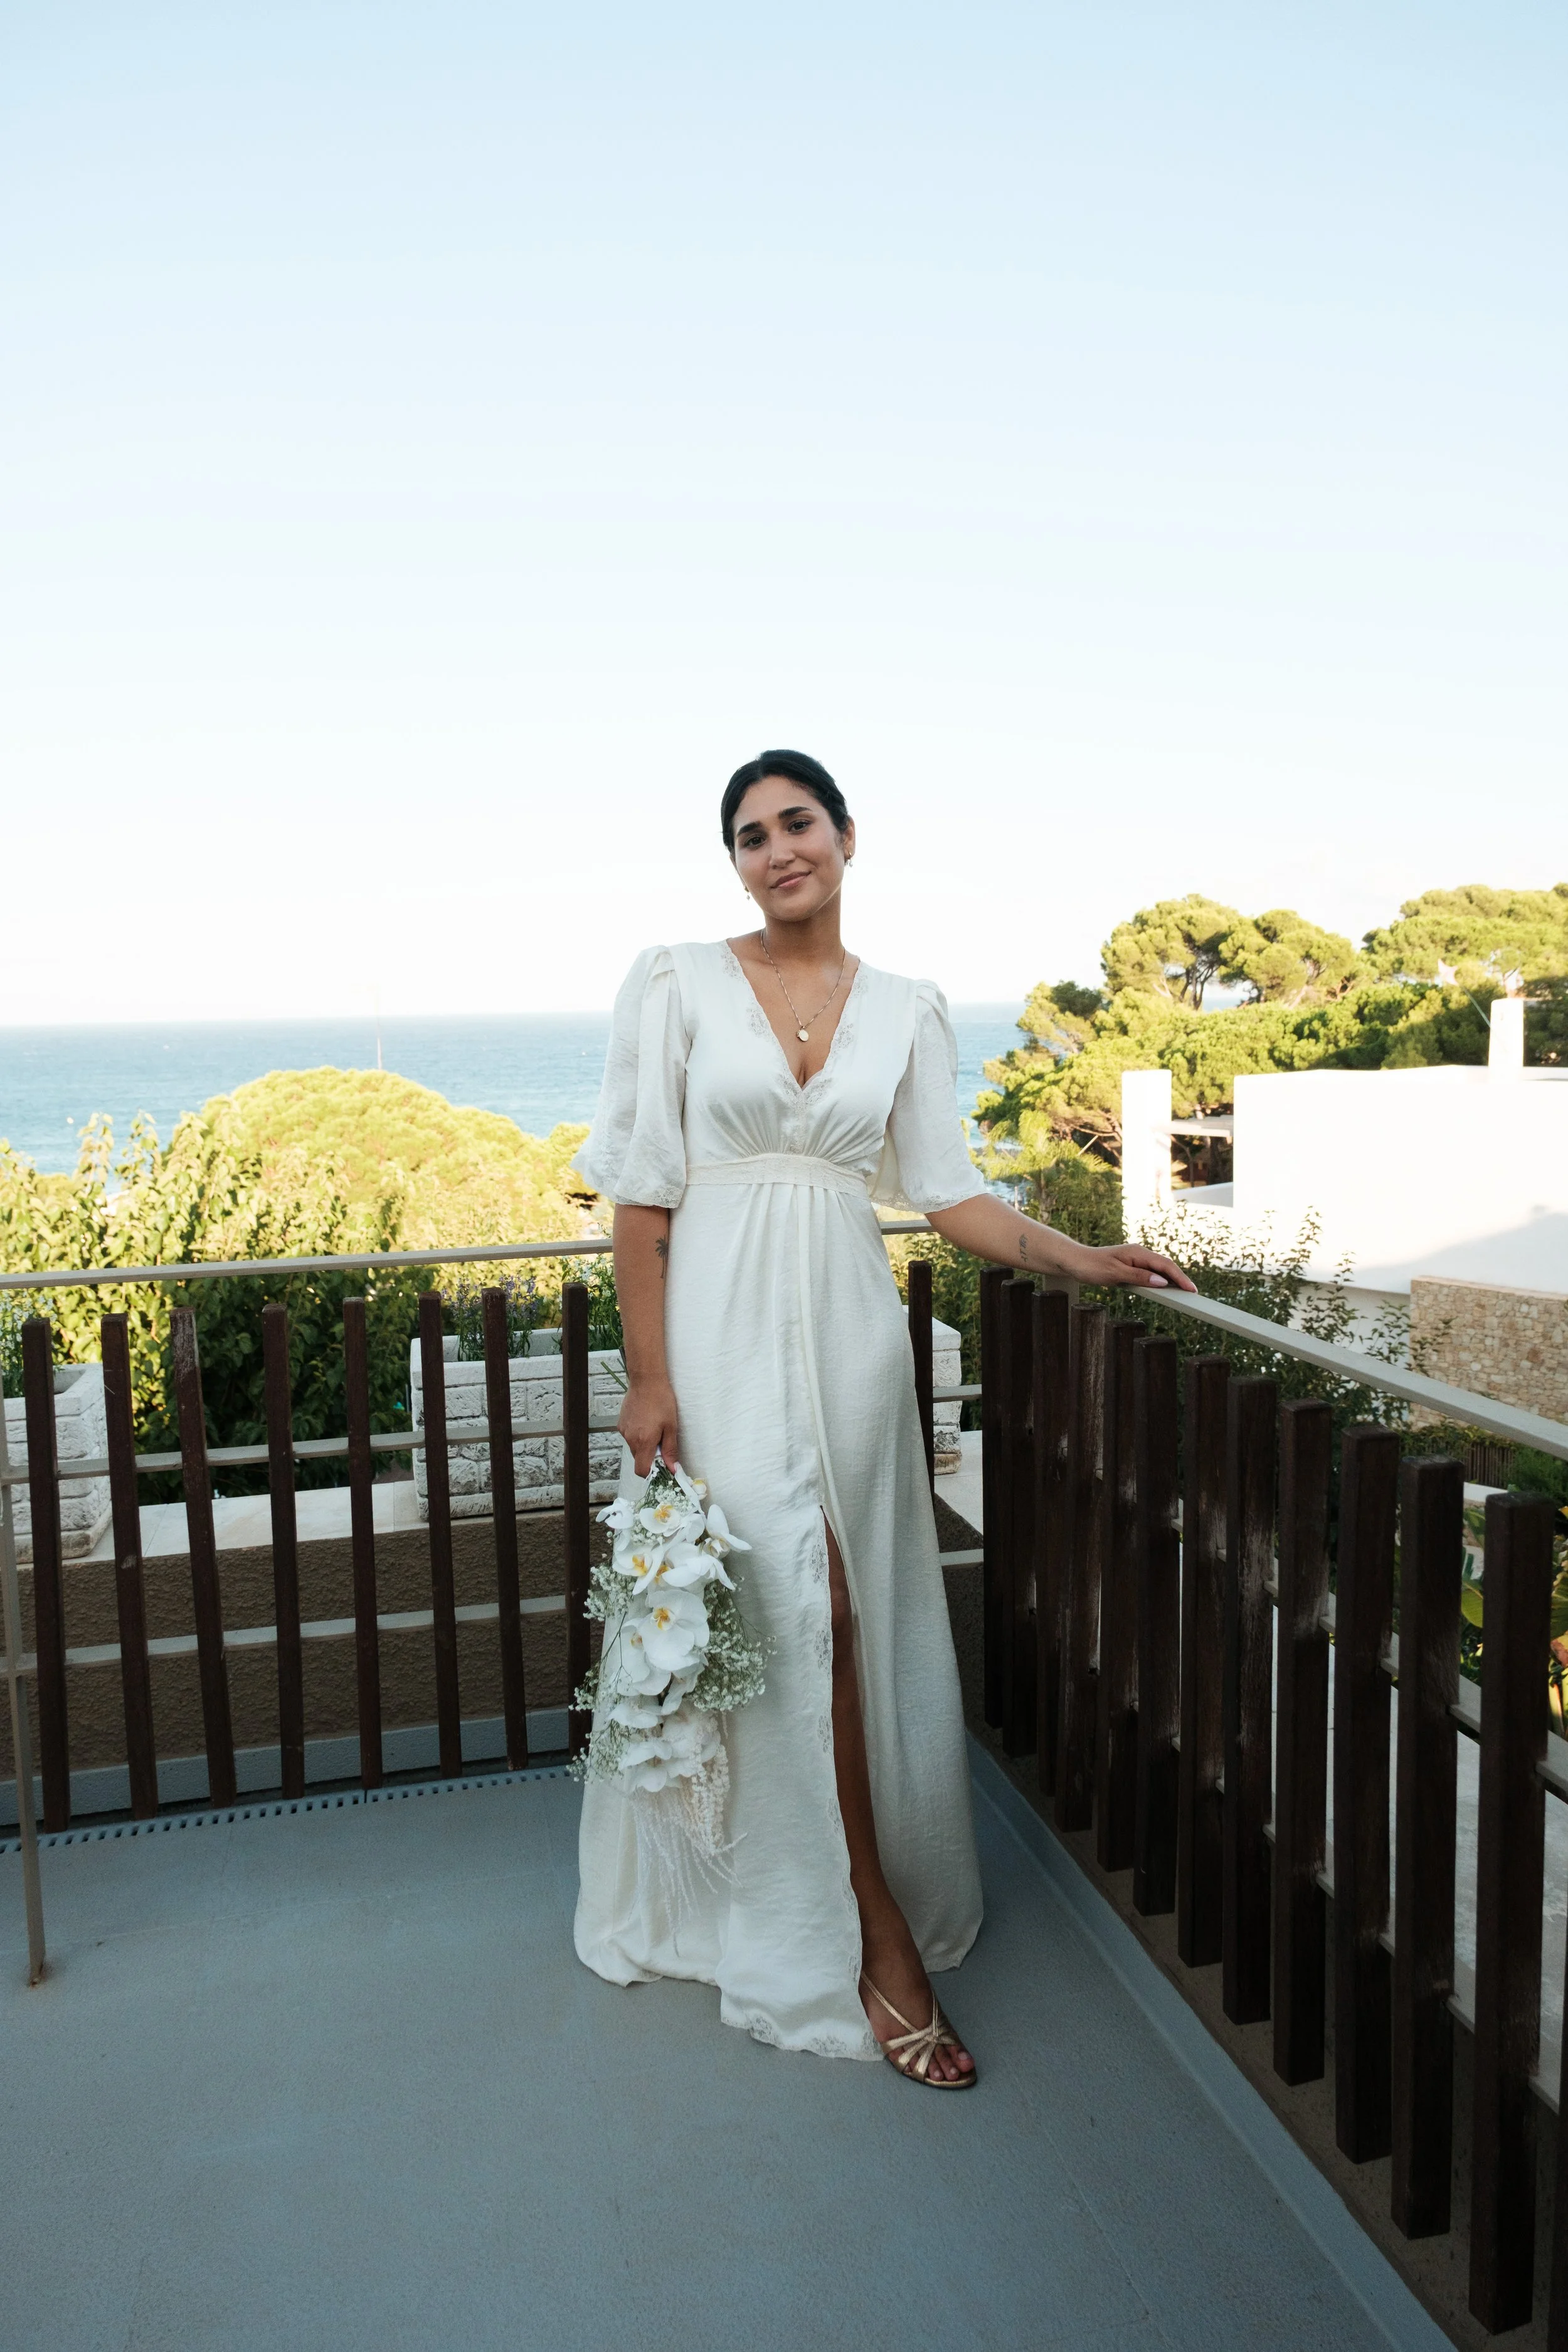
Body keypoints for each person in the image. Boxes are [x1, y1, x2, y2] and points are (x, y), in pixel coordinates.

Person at [572, 750, 1193, 2086]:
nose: (775, 849)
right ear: (732, 862)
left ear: (846, 835)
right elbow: (637, 1198)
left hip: (850, 1335)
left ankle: (859, 1899)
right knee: (794, 1609)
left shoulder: (907, 1007)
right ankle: (867, 1932)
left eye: (796, 822)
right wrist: (648, 1375)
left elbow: (947, 1190)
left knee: (854, 1604)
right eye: (748, 836)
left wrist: (1074, 1257)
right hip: (718, 1330)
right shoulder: (673, 980)